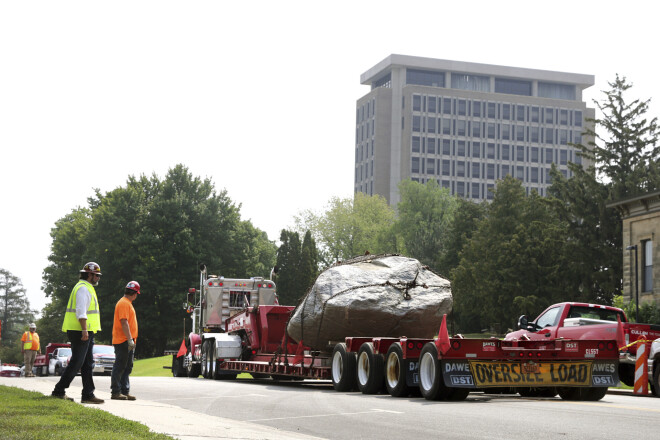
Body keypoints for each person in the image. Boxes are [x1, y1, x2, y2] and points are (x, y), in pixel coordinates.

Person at [51, 262, 104, 404]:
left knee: (87, 363)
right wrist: (85, 330)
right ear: (89, 274)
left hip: (85, 331)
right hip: (80, 330)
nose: (98, 278)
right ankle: (58, 391)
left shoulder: (87, 288)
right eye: (96, 275)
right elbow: (81, 311)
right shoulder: (82, 289)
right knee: (77, 362)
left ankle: (88, 394)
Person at [110, 281, 140, 400]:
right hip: (123, 340)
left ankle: (124, 390)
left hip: (128, 340)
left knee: (127, 366)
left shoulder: (128, 303)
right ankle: (116, 391)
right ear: (135, 293)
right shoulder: (123, 303)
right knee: (120, 366)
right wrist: (129, 340)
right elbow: (124, 322)